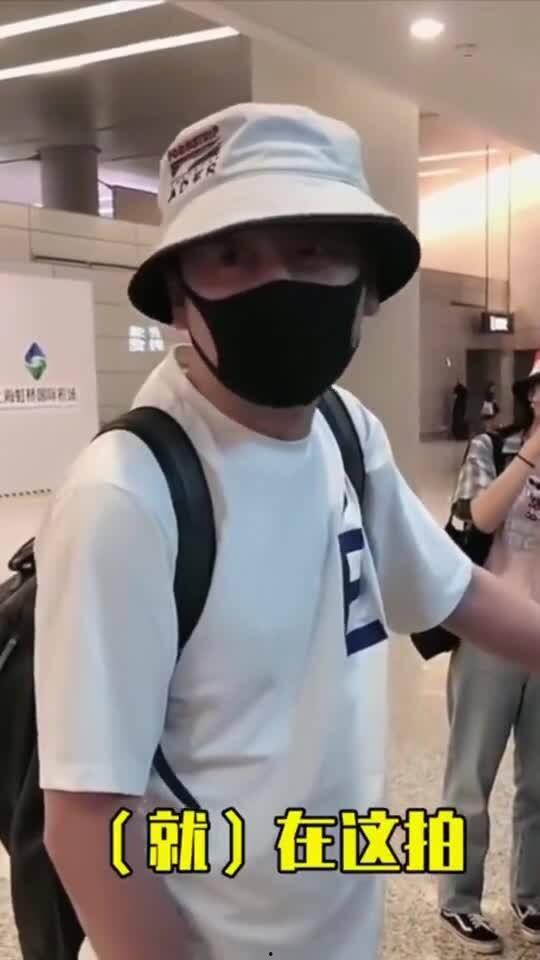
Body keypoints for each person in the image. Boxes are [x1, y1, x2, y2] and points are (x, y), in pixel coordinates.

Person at [34, 103, 540, 960]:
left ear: (367, 286)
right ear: (178, 296)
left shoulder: (346, 433)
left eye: (311, 249)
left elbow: (456, 592)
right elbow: (85, 826)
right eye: (232, 255)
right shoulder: (127, 496)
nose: (277, 283)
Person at [440, 352, 540, 953]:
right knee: (470, 777)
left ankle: (532, 896)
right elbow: (477, 518)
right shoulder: (490, 449)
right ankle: (457, 900)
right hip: (490, 635)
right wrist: (533, 452)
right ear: (532, 395)